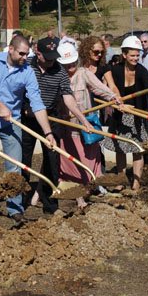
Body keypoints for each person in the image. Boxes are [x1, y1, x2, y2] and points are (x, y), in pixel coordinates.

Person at [0, 35, 57, 225]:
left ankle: (15, 209)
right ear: (11, 49)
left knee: (15, 166)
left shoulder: (27, 72)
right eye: (22, 53)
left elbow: (37, 102)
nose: (25, 57)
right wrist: (0, 105)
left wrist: (48, 133)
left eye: (27, 54)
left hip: (11, 123)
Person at [21, 37, 94, 214]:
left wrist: (83, 121)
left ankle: (50, 205)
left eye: (54, 57)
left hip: (50, 119)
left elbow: (68, 98)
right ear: (37, 52)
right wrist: (24, 108)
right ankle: (20, 202)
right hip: (28, 119)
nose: (51, 61)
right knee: (24, 160)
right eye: (48, 57)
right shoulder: (26, 66)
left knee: (52, 162)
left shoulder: (59, 71)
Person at [57, 43, 119, 209]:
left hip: (85, 126)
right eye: (67, 64)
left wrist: (113, 97)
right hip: (66, 127)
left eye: (73, 63)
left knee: (88, 158)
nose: (71, 67)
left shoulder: (83, 73)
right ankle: (77, 196)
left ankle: (90, 188)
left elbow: (99, 88)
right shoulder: (57, 76)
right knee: (71, 162)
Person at [101, 36, 148, 190]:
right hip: (120, 115)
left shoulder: (142, 72)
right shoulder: (116, 70)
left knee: (137, 149)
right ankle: (121, 180)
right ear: (124, 55)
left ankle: (136, 183)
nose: (136, 58)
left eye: (138, 55)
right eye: (132, 55)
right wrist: (117, 103)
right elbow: (106, 80)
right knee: (121, 149)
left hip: (137, 115)